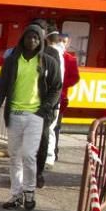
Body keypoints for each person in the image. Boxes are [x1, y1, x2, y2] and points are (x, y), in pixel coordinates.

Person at [0, 24, 61, 211]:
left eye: (36, 38)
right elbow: (2, 86)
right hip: (14, 115)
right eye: (29, 37)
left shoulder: (48, 62)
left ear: (41, 41)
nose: (32, 41)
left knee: (29, 155)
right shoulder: (12, 61)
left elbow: (56, 87)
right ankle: (16, 194)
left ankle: (29, 191)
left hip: (35, 116)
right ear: (23, 39)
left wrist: (44, 109)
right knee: (14, 157)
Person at [34, 22, 64, 190]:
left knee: (43, 140)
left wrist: (48, 105)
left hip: (46, 107)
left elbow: (56, 84)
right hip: (25, 106)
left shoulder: (52, 54)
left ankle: (38, 173)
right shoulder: (21, 53)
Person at [49, 32, 80, 165]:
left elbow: (75, 78)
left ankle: (53, 152)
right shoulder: (52, 55)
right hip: (50, 95)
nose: (62, 43)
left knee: (55, 126)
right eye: (60, 40)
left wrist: (61, 84)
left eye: (64, 41)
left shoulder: (70, 59)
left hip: (61, 96)